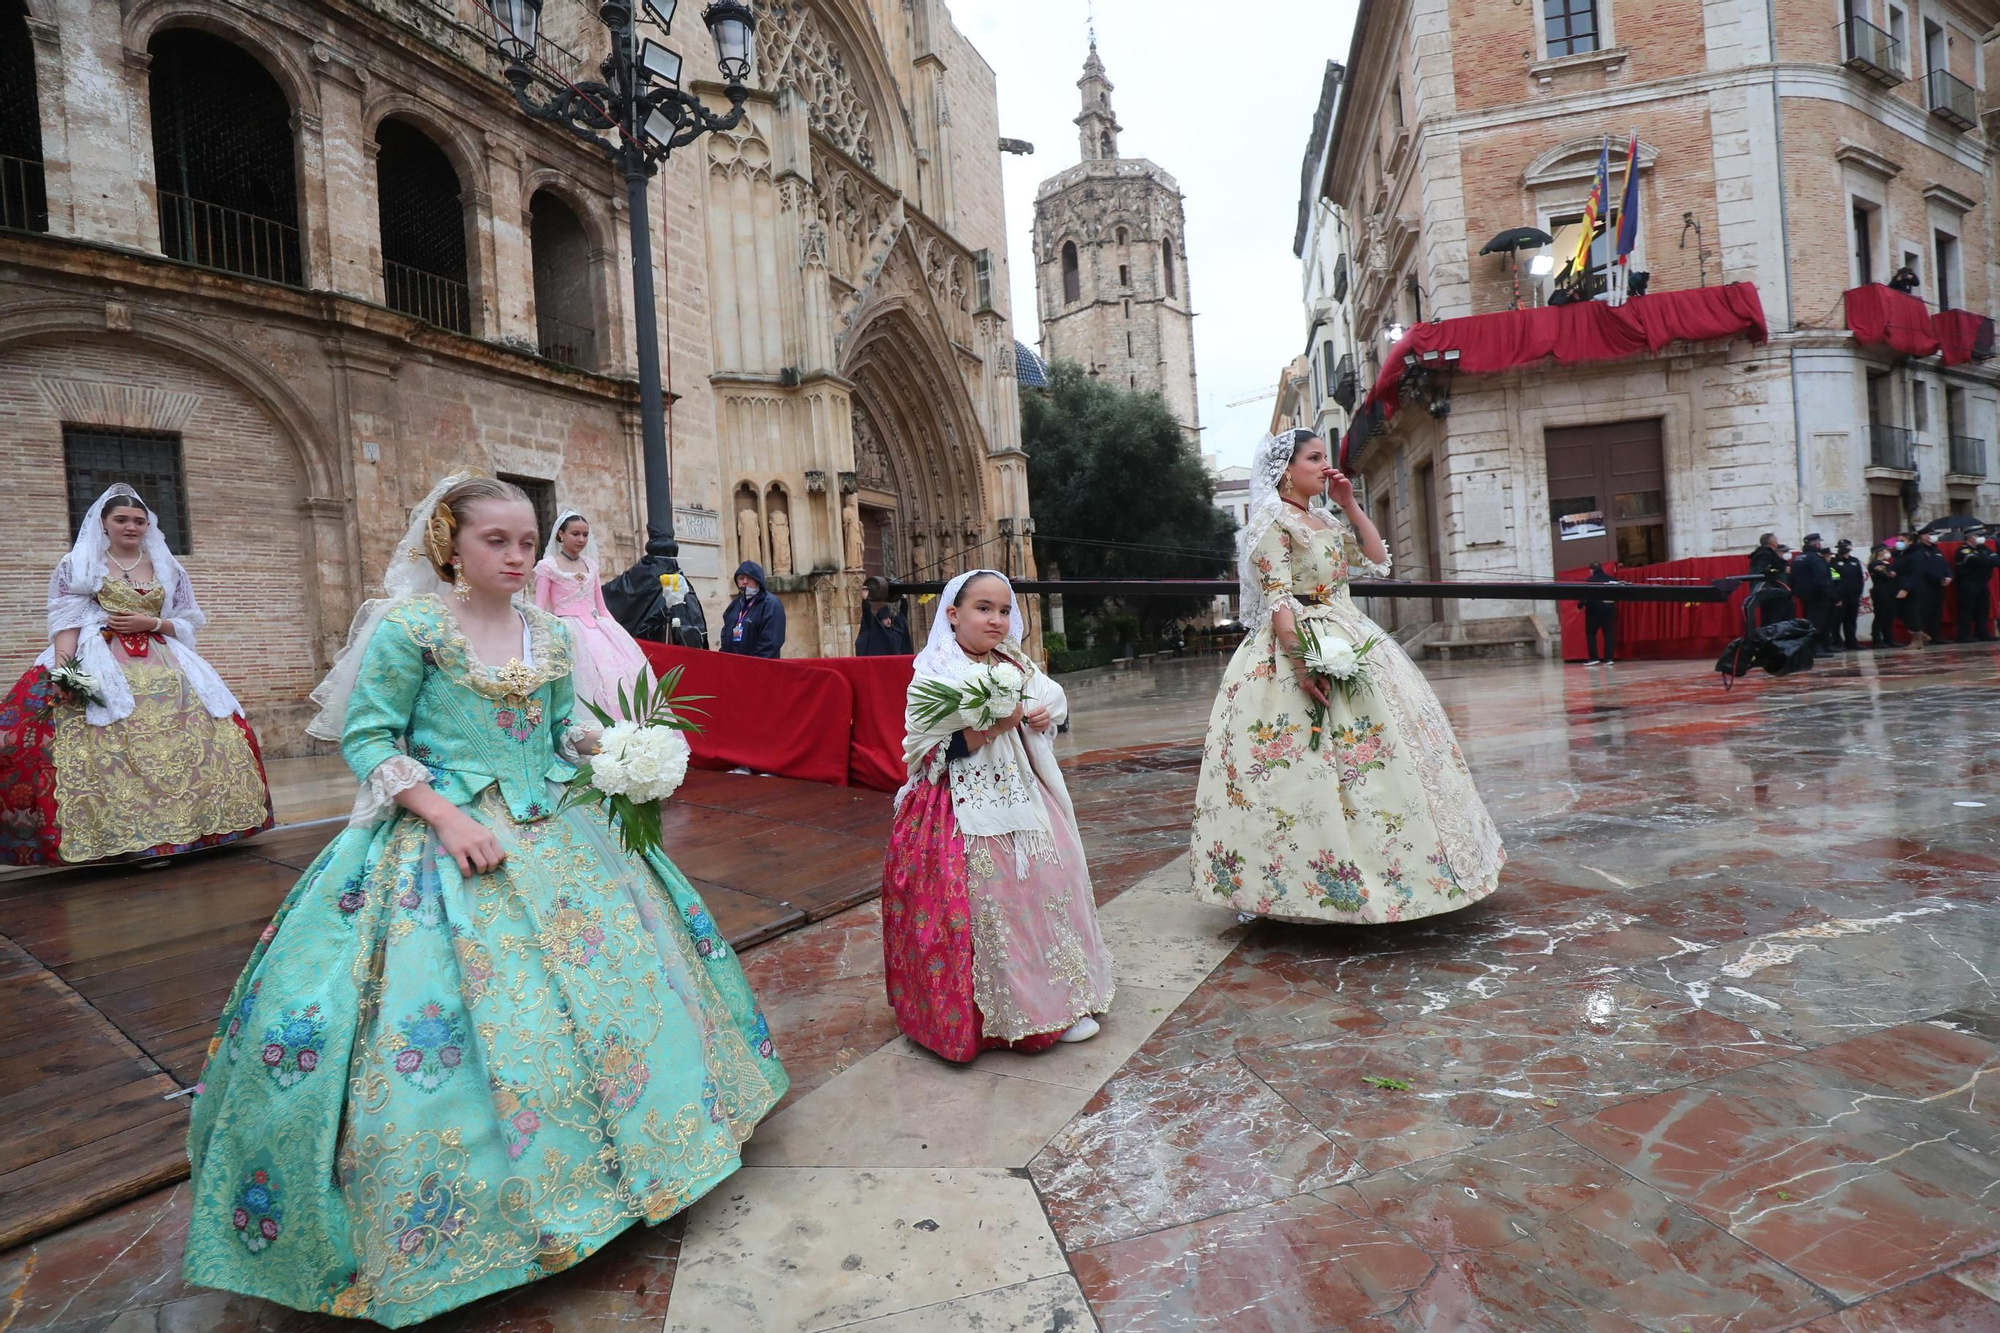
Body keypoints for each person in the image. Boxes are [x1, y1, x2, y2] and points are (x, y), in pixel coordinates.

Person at [181, 474, 786, 1326]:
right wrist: (442, 815)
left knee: (624, 993)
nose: (516, 555)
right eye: (495, 540)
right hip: (448, 837)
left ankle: (644, 1163)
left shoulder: (545, 629)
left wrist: (614, 746)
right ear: (450, 547)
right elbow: (367, 736)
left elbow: (556, 732)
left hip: (559, 828)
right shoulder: (415, 630)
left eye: (525, 540)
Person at [1190, 429, 1505, 924]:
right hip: (1300, 643)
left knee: (1384, 757)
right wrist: (1301, 665)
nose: (1324, 466)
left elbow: (1378, 560)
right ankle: (1309, 887)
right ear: (1286, 470)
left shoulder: (1323, 518)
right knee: (1306, 769)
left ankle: (1411, 873)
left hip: (1354, 636)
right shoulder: (1271, 522)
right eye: (1314, 458)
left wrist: (1350, 505)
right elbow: (1278, 601)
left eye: (1325, 458)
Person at [881, 569, 1114, 1060]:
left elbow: (1048, 697)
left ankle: (1060, 1000)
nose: (996, 620)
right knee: (992, 896)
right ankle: (1005, 1018)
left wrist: (1040, 716)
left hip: (1020, 789)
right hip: (957, 805)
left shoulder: (1013, 662)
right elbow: (930, 751)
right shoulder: (935, 673)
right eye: (983, 608)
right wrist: (994, 722)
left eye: (1004, 610)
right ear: (953, 615)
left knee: (1051, 881)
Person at [0, 484, 271, 866]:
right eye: (122, 520)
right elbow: (66, 622)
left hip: (166, 664)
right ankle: (132, 840)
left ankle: (187, 831)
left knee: (195, 741)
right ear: (103, 524)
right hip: (100, 660)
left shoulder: (167, 567)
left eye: (139, 521)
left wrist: (153, 621)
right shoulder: (78, 565)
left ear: (148, 525)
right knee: (108, 749)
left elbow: (189, 620)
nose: (131, 527)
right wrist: (65, 674)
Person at [533, 510, 650, 717]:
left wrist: (620, 636)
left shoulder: (591, 565)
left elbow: (601, 606)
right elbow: (539, 609)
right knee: (582, 682)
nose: (581, 539)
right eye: (575, 534)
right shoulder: (547, 567)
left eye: (585, 534)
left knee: (617, 679)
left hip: (597, 628)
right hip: (567, 630)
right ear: (561, 535)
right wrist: (540, 641)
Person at [719, 561, 785, 658]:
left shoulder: (771, 604)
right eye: (741, 578)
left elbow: (770, 643)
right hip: (734, 666)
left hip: (758, 667)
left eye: (749, 578)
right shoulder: (735, 604)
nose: (745, 581)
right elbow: (726, 634)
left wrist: (754, 665)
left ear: (758, 580)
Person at [1896, 532, 1951, 647]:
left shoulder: (1917, 553)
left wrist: (1906, 588)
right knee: (1901, 613)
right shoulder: (1901, 554)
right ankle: (1922, 634)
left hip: (1913, 587)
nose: (1899, 543)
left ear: (1910, 541)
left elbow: (1917, 572)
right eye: (1898, 541)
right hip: (1902, 585)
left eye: (1902, 541)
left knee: (1912, 613)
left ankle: (1918, 640)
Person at [1790, 534, 1834, 648]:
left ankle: (1817, 646)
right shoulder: (1816, 558)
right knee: (1817, 622)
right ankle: (1815, 648)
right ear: (1816, 544)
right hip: (1817, 595)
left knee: (1809, 619)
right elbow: (1821, 578)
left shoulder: (1798, 558)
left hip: (1803, 595)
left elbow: (1792, 577)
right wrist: (1826, 592)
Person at [855, 576, 914, 656]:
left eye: (889, 618)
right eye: (885, 619)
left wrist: (903, 599)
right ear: (880, 620)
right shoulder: (876, 629)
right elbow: (867, 614)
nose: (888, 621)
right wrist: (865, 600)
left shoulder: (896, 630)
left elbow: (903, 616)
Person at [1953, 535, 1995, 642]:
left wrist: (1985, 557)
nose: (1981, 537)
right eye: (1977, 535)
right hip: (1968, 583)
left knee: (1983, 609)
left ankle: (1982, 633)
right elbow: (1976, 562)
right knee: (1967, 610)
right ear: (1970, 538)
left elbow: (1996, 560)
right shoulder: (1963, 550)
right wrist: (1987, 560)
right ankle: (1964, 635)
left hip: (1983, 583)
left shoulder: (1983, 549)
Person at [1577, 561, 1618, 665]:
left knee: (1591, 633)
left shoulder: (1590, 580)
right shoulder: (1612, 579)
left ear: (1591, 570)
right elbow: (1618, 594)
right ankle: (1609, 659)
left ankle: (1594, 658)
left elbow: (1586, 596)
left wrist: (1580, 606)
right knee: (1608, 634)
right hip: (1609, 609)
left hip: (1593, 610)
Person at [1747, 533, 1792, 626]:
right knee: (1774, 619)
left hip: (1768, 591)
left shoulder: (1760, 554)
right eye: (1776, 540)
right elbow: (1765, 571)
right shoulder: (1766, 555)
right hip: (1772, 592)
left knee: (1771, 618)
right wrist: (1782, 570)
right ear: (1773, 543)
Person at [1830, 539, 1866, 650]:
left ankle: (1851, 642)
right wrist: (1836, 596)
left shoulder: (1854, 561)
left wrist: (1859, 593)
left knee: (1851, 620)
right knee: (1837, 620)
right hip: (1840, 597)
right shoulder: (1834, 562)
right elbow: (1833, 580)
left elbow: (1860, 578)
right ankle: (1837, 642)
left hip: (1853, 596)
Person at [1868, 542, 1900, 648]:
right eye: (1884, 550)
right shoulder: (1874, 564)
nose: (1886, 552)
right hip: (1880, 592)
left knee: (1889, 616)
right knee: (1880, 616)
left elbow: (1894, 573)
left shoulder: (1887, 563)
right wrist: (1889, 573)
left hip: (1890, 591)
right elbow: (1888, 574)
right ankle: (1877, 640)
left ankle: (1889, 639)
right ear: (1879, 552)